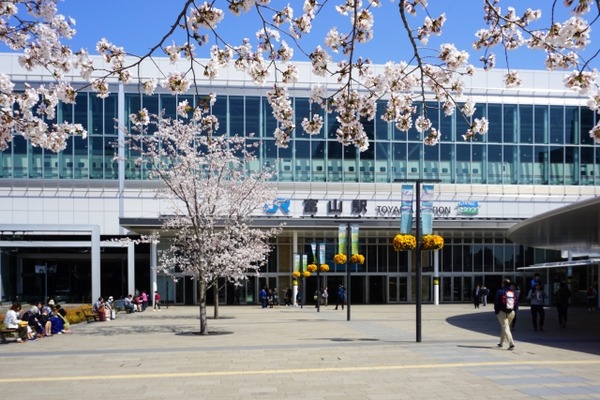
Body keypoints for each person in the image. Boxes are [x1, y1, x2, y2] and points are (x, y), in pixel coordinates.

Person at [494, 279, 517, 350]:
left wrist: (497, 311)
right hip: (511, 312)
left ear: (503, 284)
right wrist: (514, 311)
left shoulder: (500, 291)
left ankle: (511, 344)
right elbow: (516, 303)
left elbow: (496, 302)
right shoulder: (512, 292)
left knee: (506, 328)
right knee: (505, 327)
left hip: (502, 312)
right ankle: (501, 343)